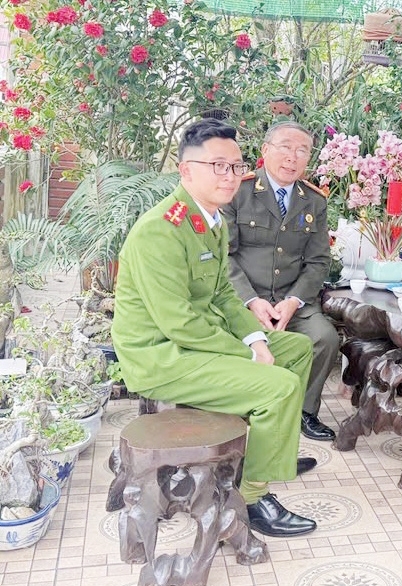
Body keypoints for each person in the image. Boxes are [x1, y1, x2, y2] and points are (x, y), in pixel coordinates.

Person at [111, 119, 318, 538]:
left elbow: (223, 293)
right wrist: (248, 354)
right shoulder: (161, 230)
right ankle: (252, 499)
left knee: (295, 348)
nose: (230, 176)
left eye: (236, 166)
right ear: (186, 171)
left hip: (196, 340)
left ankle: (264, 450)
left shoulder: (211, 220)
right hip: (162, 356)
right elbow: (178, 323)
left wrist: (256, 338)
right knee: (278, 386)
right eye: (217, 166)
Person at [224, 121, 339, 442]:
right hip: (245, 298)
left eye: (302, 151)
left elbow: (318, 261)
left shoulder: (314, 200)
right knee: (234, 340)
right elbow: (224, 256)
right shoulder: (239, 191)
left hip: (293, 301)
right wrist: (250, 300)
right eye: (285, 147)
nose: (293, 157)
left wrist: (293, 301)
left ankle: (304, 411)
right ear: (265, 150)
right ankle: (246, 408)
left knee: (325, 337)